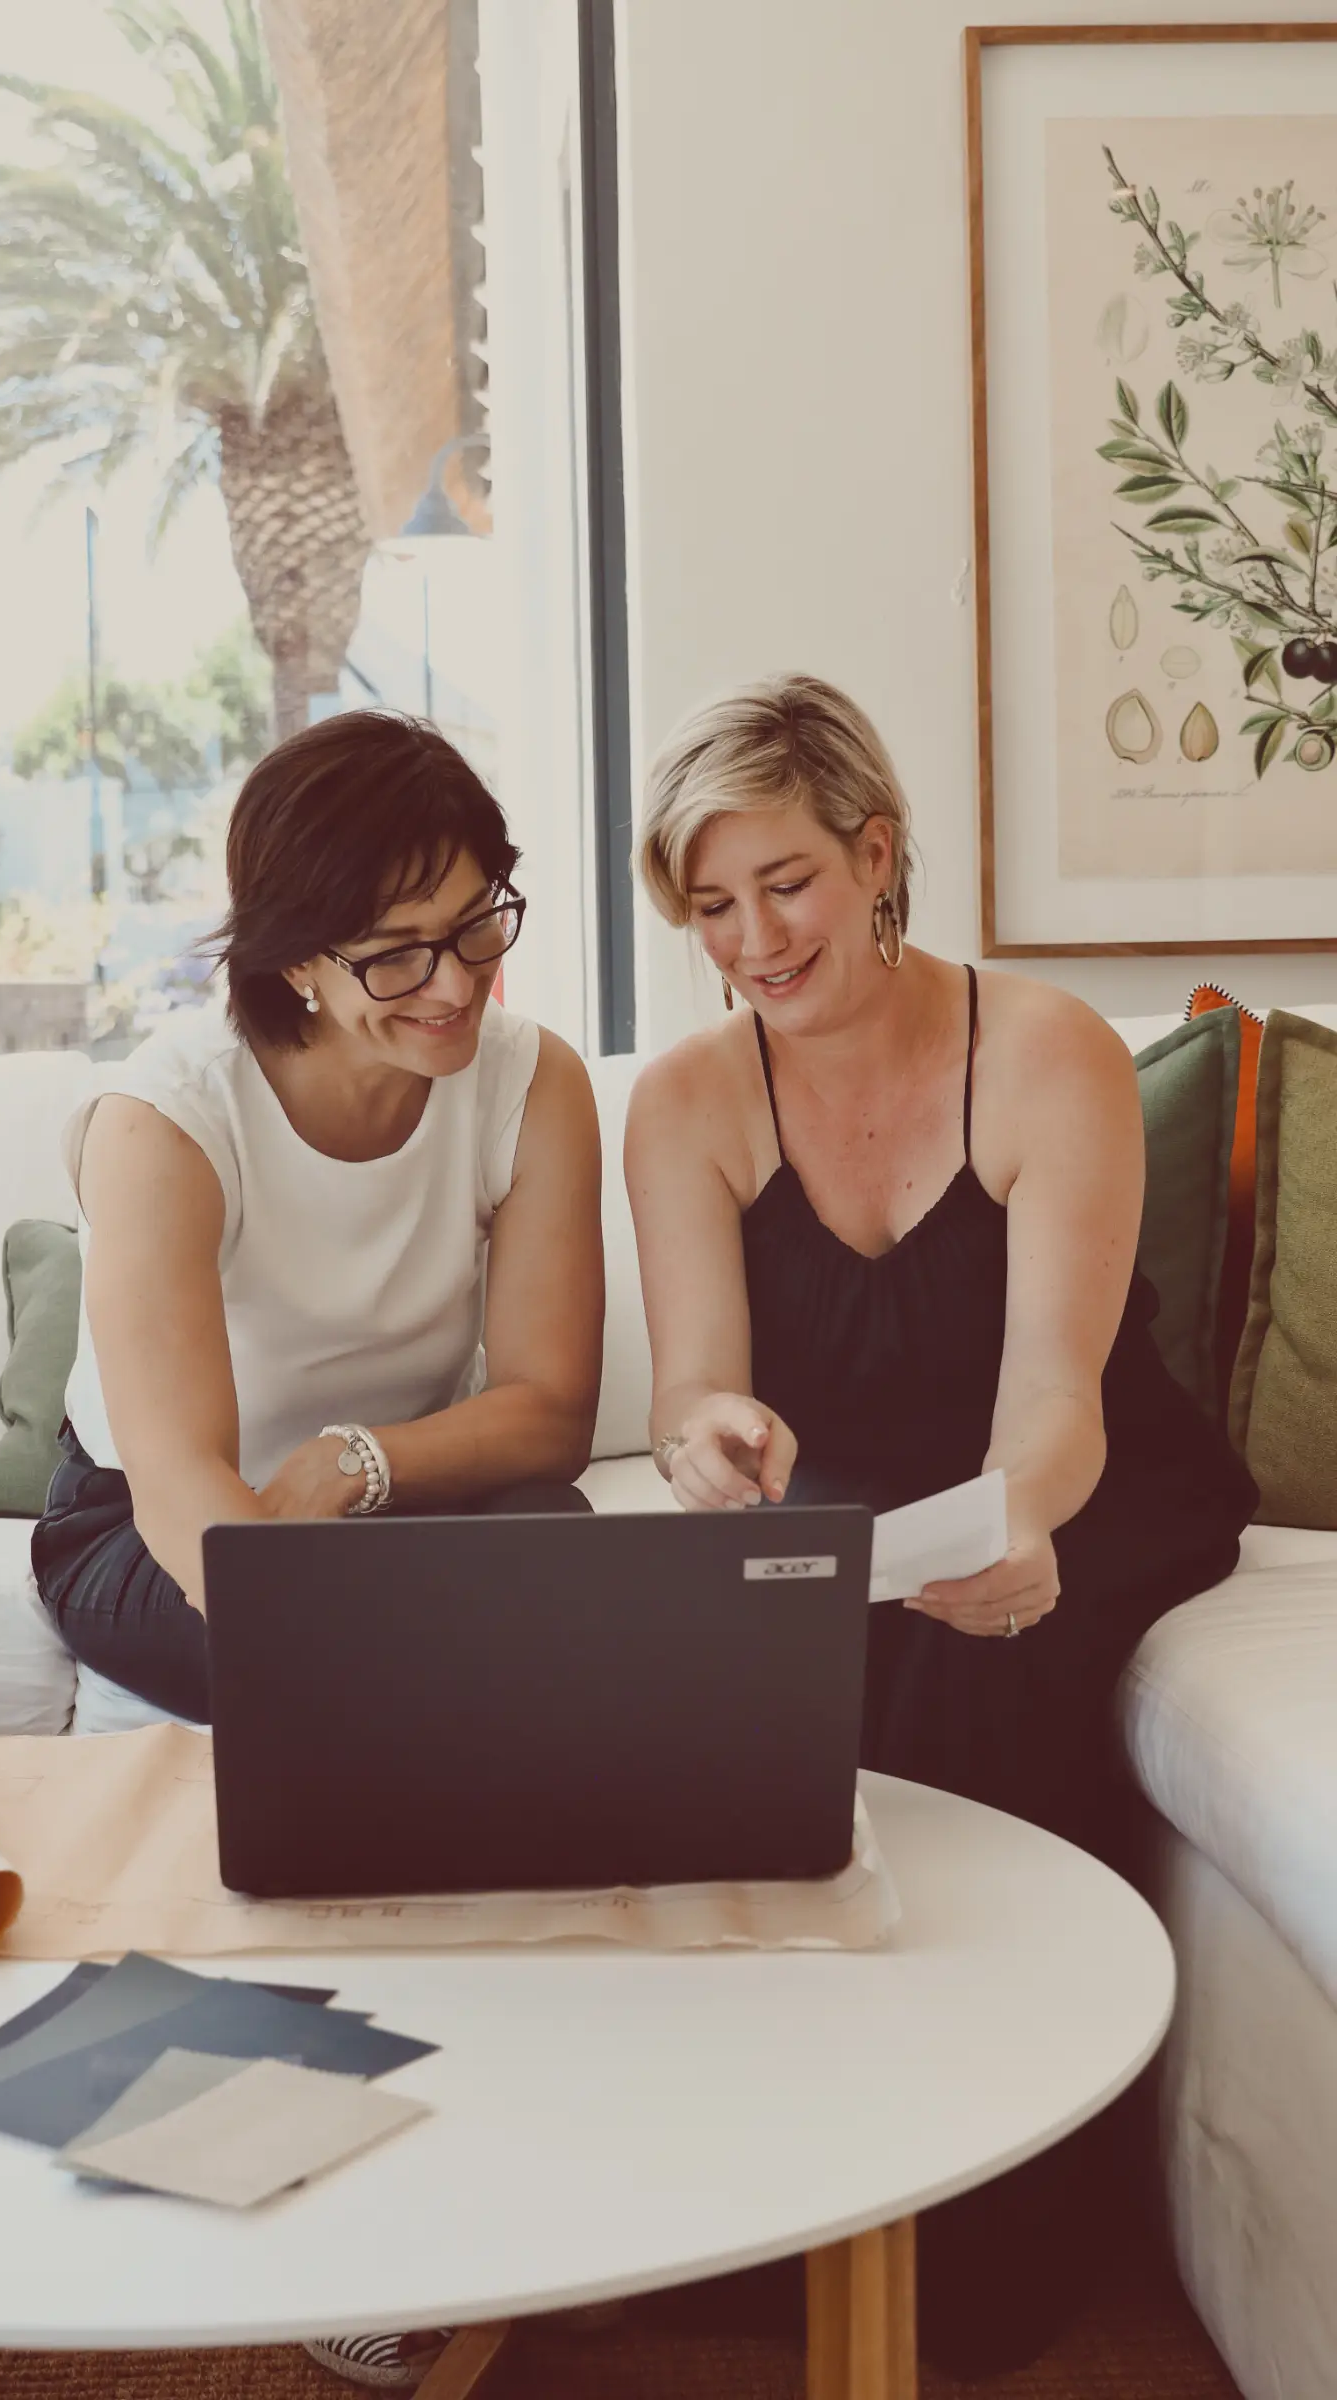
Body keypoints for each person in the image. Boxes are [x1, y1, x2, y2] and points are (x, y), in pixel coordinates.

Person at [624, 672, 1256, 2371]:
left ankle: (974, 2222)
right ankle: (764, 2179)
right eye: (710, 904)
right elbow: (692, 1392)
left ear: (877, 850)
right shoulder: (683, 1104)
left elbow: (1058, 1402)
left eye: (787, 884)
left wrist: (1014, 1525)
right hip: (853, 1505)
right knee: (717, 1676)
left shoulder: (1044, 1054)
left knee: (966, 1665)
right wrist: (709, 1440)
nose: (752, 936)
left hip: (1089, 1485)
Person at [31, 709, 603, 2393]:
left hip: (390, 1499)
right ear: (290, 962)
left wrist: (357, 1467)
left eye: (483, 918)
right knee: (394, 1719)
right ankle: (334, 2204)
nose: (456, 981)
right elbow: (190, 1489)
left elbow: (550, 1413)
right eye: (399, 950)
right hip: (157, 1525)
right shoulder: (168, 1116)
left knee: (569, 1612)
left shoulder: (530, 1078)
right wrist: (344, 1651)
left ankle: (571, 2131)